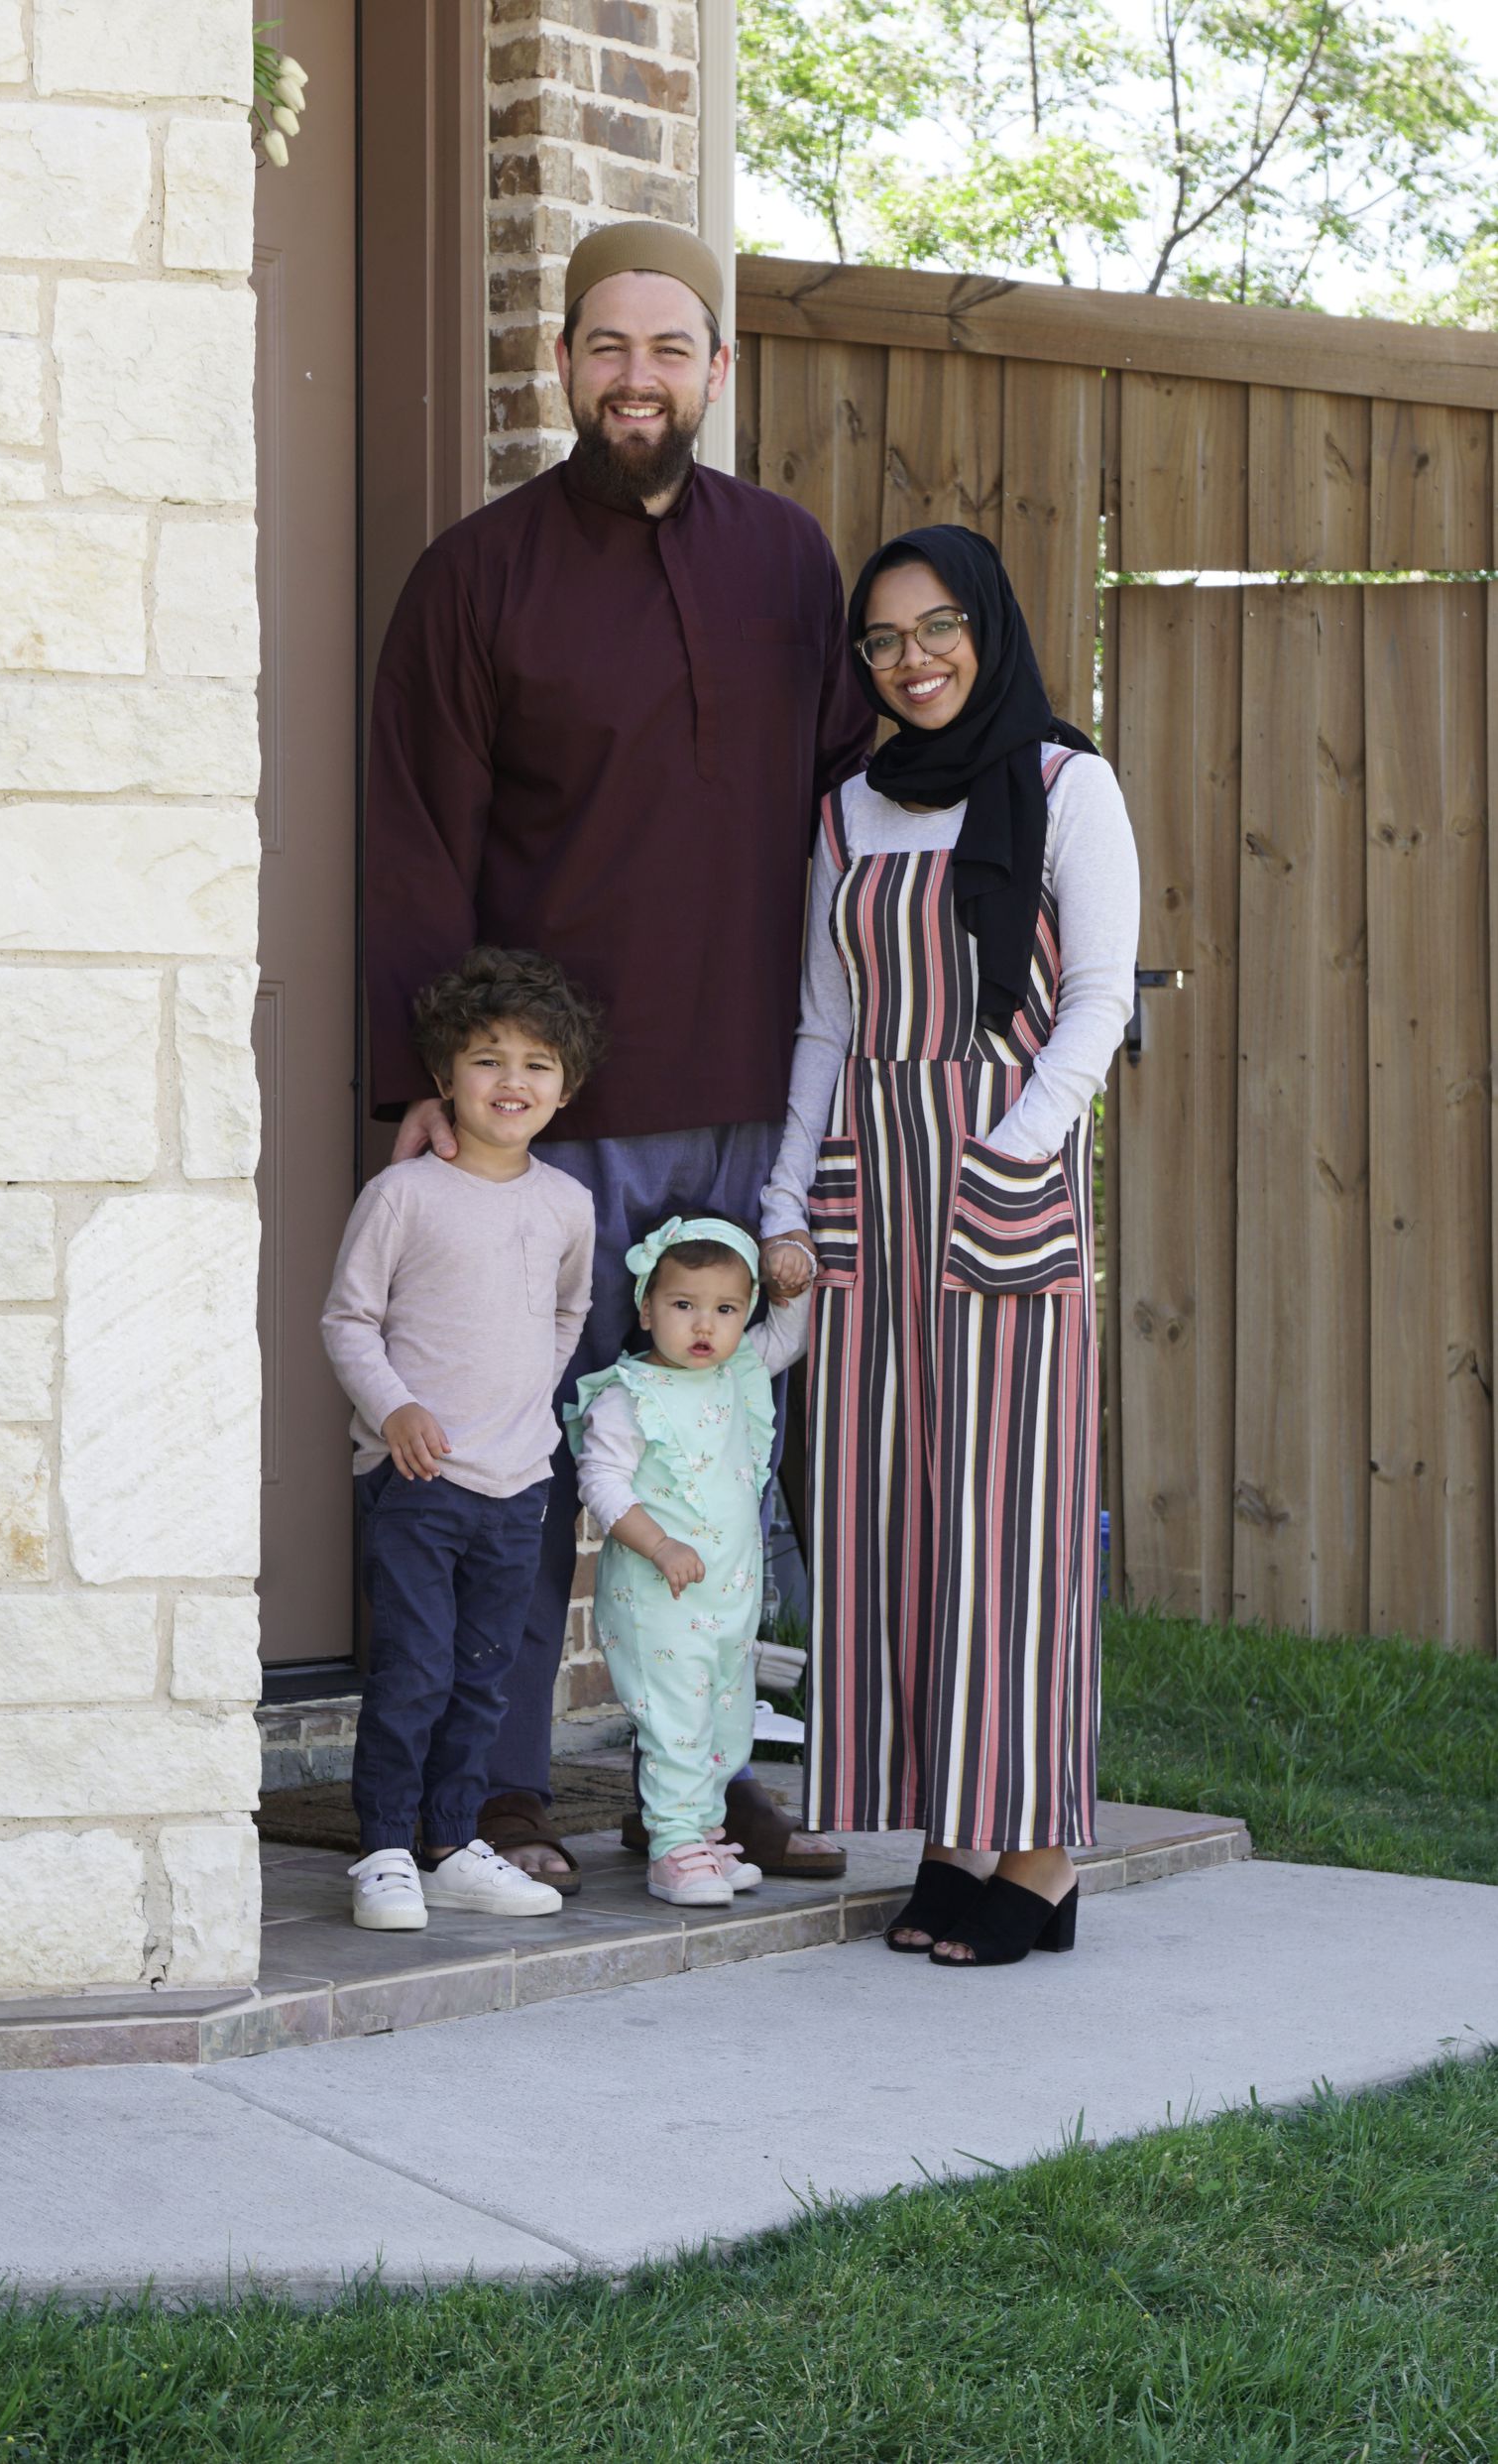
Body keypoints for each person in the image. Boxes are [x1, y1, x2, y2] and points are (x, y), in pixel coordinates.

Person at [363, 217, 873, 1893]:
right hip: (541, 1128)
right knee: (511, 1470)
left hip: (741, 1107)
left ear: (718, 370)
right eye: (609, 347)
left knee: (720, 1465)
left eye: (671, 348)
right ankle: (487, 1797)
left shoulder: (793, 561)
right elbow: (416, 841)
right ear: (562, 360)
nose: (638, 378)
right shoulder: (474, 577)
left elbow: (856, 794)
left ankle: (707, 1780)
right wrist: (427, 1091)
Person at [760, 525, 1139, 1967]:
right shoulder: (849, 805)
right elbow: (824, 1020)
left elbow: (1096, 1000)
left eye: (937, 630)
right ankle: (948, 1831)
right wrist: (791, 1198)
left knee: (1014, 1527)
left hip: (1000, 1175)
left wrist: (1011, 1158)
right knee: (888, 1523)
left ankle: (1037, 1847)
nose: (911, 661)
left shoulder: (1061, 782)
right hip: (868, 1180)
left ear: (985, 626)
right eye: (883, 641)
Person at [320, 948, 602, 1933]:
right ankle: (385, 1848)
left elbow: (570, 1315)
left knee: (484, 1675)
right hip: (417, 1477)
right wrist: (394, 1406)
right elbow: (347, 1321)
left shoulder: (569, 1204)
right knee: (414, 1669)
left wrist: (527, 1408)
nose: (511, 1080)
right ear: (446, 1080)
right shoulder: (403, 1194)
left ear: (565, 1088)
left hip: (516, 1482)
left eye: (535, 1063)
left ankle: (451, 1842)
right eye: (487, 1059)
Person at [569, 1218, 810, 1906]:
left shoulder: (737, 1370)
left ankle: (703, 1829)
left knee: (723, 1721)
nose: (704, 1325)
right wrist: (657, 1542)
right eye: (683, 1305)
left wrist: (792, 1281)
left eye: (726, 1309)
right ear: (647, 1308)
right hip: (659, 1598)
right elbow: (602, 1478)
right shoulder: (630, 1393)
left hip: (725, 1598)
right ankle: (672, 1846)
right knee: (676, 1722)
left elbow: (791, 1334)